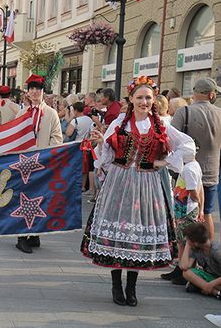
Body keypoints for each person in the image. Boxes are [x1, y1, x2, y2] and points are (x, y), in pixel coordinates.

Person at [81, 76, 195, 307]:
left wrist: (165, 162)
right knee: (117, 233)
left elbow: (188, 145)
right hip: (120, 183)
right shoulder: (120, 122)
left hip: (147, 185)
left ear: (154, 100)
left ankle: (131, 287)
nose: (144, 101)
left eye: (148, 97)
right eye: (140, 97)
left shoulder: (161, 125)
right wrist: (102, 142)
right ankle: (116, 285)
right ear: (131, 98)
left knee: (137, 236)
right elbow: (108, 157)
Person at [15, 74, 63, 254]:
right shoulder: (21, 113)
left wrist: (46, 156)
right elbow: (15, 137)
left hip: (42, 162)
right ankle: (22, 236)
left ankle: (35, 232)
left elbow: (57, 138)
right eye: (31, 89)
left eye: (38, 89)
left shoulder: (51, 114)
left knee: (40, 198)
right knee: (25, 198)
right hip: (24, 163)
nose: (34, 92)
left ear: (43, 92)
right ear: (28, 93)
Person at [171, 78, 221, 240]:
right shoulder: (220, 113)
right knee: (206, 213)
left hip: (186, 173)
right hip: (211, 172)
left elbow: (170, 140)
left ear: (195, 93)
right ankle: (209, 255)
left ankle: (186, 254)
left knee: (184, 215)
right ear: (211, 95)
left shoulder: (184, 112)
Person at [161, 151, 204, 285]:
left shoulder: (189, 169)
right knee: (181, 241)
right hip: (184, 209)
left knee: (185, 242)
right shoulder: (193, 166)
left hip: (186, 210)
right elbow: (200, 188)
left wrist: (197, 204)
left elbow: (195, 191)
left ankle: (185, 272)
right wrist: (200, 207)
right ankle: (180, 269)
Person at [180, 223, 221, 300]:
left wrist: (211, 284)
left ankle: (202, 287)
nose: (187, 242)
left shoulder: (216, 251)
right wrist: (187, 246)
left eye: (188, 240)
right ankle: (216, 292)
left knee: (197, 282)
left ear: (195, 242)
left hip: (217, 280)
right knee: (186, 273)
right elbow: (184, 267)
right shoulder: (196, 249)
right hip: (212, 278)